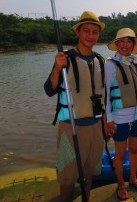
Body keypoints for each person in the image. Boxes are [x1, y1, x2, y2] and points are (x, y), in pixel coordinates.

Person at [44, 11, 106, 202]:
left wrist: (106, 123)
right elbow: (49, 89)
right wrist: (56, 67)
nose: (90, 35)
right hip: (71, 127)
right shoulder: (66, 59)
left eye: (94, 32)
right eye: (86, 31)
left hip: (95, 126)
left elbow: (103, 98)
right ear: (78, 33)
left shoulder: (100, 60)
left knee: (89, 171)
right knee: (67, 175)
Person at [104, 28, 137, 200]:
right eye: (121, 41)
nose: (125, 45)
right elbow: (107, 94)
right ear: (116, 44)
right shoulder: (110, 65)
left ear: (132, 44)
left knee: (133, 150)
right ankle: (121, 184)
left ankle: (133, 179)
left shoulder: (134, 62)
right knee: (121, 154)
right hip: (120, 118)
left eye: (129, 41)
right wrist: (109, 118)